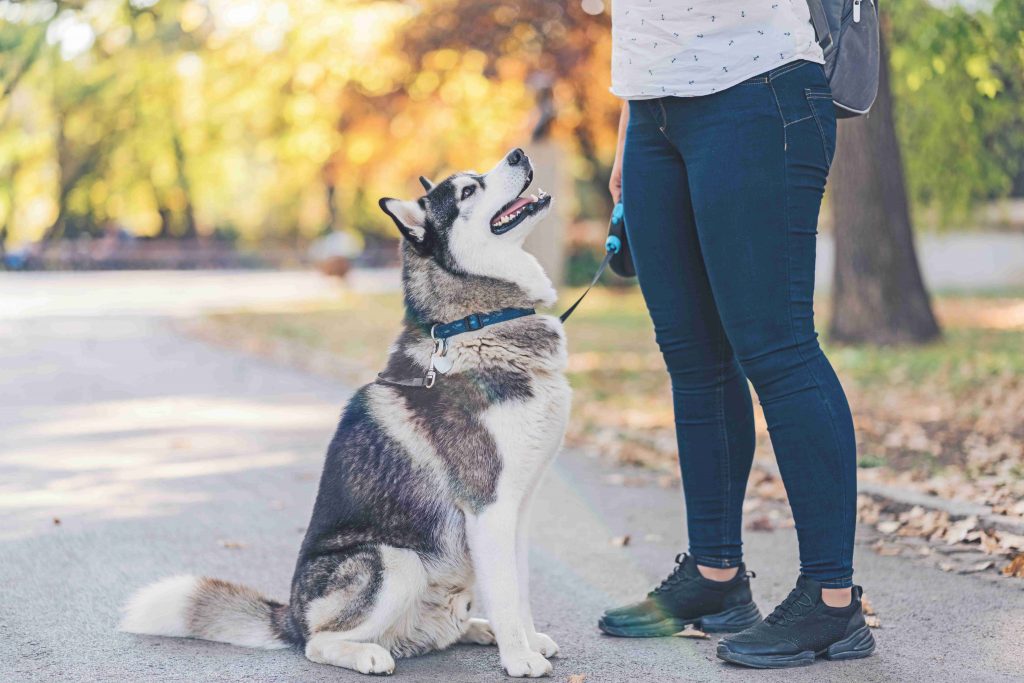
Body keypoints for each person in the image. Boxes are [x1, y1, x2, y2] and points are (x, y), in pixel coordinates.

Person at [598, 1, 876, 668]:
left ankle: (832, 601)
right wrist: (627, 128)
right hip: (650, 113)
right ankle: (717, 576)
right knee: (692, 357)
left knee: (777, 349)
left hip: (757, 88)